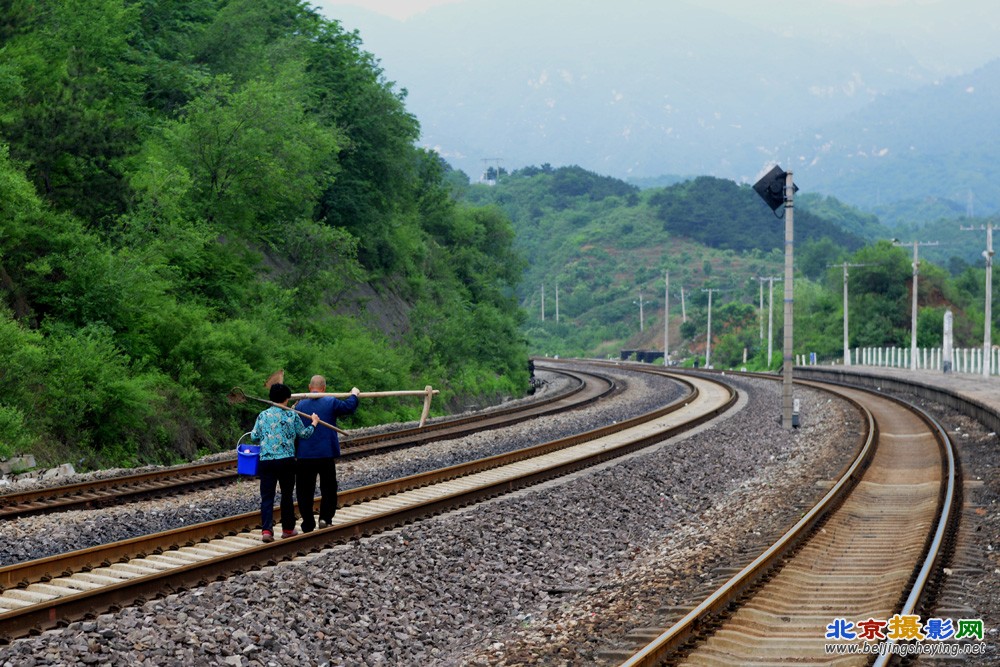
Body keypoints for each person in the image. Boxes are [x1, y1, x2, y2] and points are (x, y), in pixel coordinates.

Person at [251, 382, 319, 542]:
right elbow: (304, 434)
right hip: (286, 461)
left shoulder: (262, 415)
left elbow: (254, 436)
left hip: (267, 461)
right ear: (286, 399)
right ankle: (288, 529)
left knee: (267, 497)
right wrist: (314, 423)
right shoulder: (291, 415)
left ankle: (266, 531)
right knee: (286, 496)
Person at [294, 375, 359, 532]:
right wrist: (354, 394)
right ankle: (325, 518)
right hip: (326, 454)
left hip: (304, 455)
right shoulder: (331, 402)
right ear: (324, 388)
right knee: (329, 488)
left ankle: (308, 523)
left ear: (310, 387)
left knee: (304, 491)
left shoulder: (299, 405)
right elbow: (349, 407)